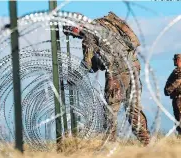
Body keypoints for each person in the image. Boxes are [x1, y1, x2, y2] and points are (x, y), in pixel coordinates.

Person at [63, 11, 150, 145]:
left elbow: (87, 63)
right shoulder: (104, 24)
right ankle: (146, 142)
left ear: (76, 26)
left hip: (118, 72)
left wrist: (73, 78)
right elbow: (106, 53)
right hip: (133, 67)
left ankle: (110, 143)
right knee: (133, 108)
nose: (75, 37)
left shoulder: (89, 35)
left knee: (110, 109)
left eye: (72, 33)